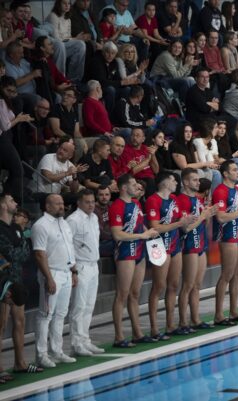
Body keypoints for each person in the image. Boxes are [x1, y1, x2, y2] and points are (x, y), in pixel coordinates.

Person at [109, 174, 159, 348]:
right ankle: (119, 336)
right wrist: (142, 235)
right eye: (133, 184)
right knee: (122, 294)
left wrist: (149, 233)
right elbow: (117, 234)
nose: (137, 186)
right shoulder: (117, 206)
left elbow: (140, 225)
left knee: (135, 294)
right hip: (125, 252)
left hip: (139, 250)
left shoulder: (136, 203)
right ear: (123, 187)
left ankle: (137, 333)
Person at [146, 172, 194, 338]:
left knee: (174, 285)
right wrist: (179, 223)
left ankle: (170, 325)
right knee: (159, 286)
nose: (176, 183)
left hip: (174, 245)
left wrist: (189, 220)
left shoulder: (174, 199)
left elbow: (182, 224)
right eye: (173, 180)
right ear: (164, 182)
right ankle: (154, 328)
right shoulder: (153, 200)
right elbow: (156, 227)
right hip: (158, 246)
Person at [32, 194, 77, 368]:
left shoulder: (64, 223)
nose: (61, 206)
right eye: (57, 203)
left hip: (66, 272)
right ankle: (41, 355)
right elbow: (39, 254)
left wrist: (73, 271)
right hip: (51, 274)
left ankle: (56, 351)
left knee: (60, 314)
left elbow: (70, 249)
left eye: (62, 203)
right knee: (45, 315)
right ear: (47, 206)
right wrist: (49, 278)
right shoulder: (41, 225)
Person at [0, 193, 42, 375]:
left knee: (20, 321)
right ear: (3, 205)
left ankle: (20, 363)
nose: (15, 203)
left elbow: (24, 254)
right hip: (3, 282)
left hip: (17, 279)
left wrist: (15, 252)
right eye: (11, 200)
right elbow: (10, 254)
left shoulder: (16, 228)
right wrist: (16, 252)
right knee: (1, 325)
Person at [212, 160, 238, 325]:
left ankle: (234, 311)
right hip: (227, 235)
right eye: (235, 170)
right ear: (225, 174)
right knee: (227, 274)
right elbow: (221, 217)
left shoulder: (236, 190)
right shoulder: (220, 191)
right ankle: (218, 315)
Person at [65, 189, 104, 356]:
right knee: (78, 307)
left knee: (89, 306)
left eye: (93, 201)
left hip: (94, 265)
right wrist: (72, 269)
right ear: (79, 203)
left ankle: (85, 340)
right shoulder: (72, 220)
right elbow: (67, 246)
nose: (91, 205)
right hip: (80, 266)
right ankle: (76, 344)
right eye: (87, 202)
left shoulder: (94, 217)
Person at [177, 169, 217, 330]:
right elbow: (186, 228)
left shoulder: (198, 200)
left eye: (198, 180)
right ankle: (182, 322)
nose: (198, 183)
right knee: (188, 285)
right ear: (186, 182)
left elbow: (202, 224)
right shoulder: (181, 200)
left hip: (201, 244)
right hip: (189, 245)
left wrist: (208, 216)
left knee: (197, 285)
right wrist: (203, 216)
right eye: (194, 180)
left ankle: (195, 319)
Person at [45, 0, 86, 83]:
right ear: (58, 4)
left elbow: (68, 37)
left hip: (64, 44)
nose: (67, 5)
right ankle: (60, 80)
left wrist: (75, 39)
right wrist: (75, 38)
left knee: (81, 44)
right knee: (61, 45)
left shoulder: (68, 19)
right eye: (64, 3)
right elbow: (57, 39)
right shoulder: (53, 16)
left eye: (69, 3)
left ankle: (74, 79)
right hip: (53, 46)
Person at [48, 86, 86, 161]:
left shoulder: (74, 111)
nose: (65, 97)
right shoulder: (56, 108)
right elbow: (56, 130)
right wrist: (71, 139)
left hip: (72, 139)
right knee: (79, 145)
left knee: (96, 142)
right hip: (61, 139)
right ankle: (74, 165)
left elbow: (76, 132)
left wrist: (83, 141)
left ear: (74, 100)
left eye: (69, 95)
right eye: (64, 94)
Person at [122, 127, 159, 195]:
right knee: (150, 181)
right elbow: (132, 171)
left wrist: (153, 155)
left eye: (137, 135)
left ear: (143, 139)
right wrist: (147, 160)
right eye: (133, 135)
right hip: (137, 178)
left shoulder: (146, 148)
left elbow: (156, 170)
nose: (134, 138)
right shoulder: (126, 150)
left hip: (151, 178)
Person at [94, 185, 114, 257]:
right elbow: (101, 234)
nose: (104, 197)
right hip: (100, 243)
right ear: (96, 196)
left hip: (112, 239)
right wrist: (117, 235)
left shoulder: (112, 205)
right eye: (101, 195)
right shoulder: (93, 210)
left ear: (110, 196)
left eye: (107, 194)